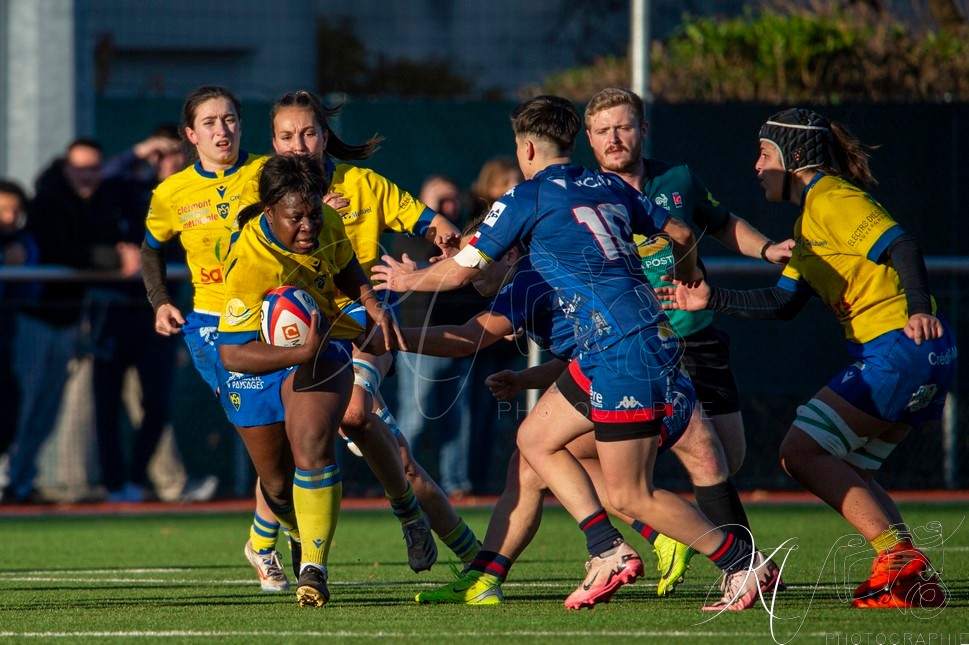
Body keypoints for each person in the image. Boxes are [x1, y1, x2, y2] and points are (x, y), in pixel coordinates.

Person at [373, 96, 775, 612]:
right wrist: (690, 273)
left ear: (528, 148)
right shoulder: (607, 184)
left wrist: (408, 281)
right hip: (641, 342)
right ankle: (601, 550)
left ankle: (742, 565)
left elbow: (465, 276)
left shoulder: (526, 200)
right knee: (535, 439)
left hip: (619, 352)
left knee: (630, 494)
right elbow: (678, 231)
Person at [658, 107, 953, 610]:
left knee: (800, 452)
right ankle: (908, 580)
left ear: (794, 158)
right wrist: (711, 299)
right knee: (851, 471)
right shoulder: (809, 218)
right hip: (916, 354)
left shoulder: (831, 197)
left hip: (900, 346)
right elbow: (783, 302)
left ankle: (898, 562)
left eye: (764, 154)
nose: (756, 166)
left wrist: (920, 310)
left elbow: (901, 243)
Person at [584, 87, 794, 593]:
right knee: (678, 461)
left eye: (624, 126)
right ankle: (742, 565)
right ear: (588, 139)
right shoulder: (583, 193)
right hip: (634, 352)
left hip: (696, 340)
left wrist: (766, 249)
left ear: (642, 130)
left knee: (729, 456)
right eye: (603, 130)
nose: (614, 138)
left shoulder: (676, 179)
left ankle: (689, 533)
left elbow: (722, 225)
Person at [266, 90, 481, 576]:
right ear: (273, 143)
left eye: (308, 132)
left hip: (364, 326)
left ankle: (416, 533)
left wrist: (447, 238)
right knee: (387, 457)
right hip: (300, 339)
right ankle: (462, 547)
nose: (298, 144)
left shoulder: (363, 185)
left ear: (325, 135)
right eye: (286, 135)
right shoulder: (263, 190)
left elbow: (432, 222)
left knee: (357, 413)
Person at [217, 152, 400, 607]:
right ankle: (299, 530)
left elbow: (345, 265)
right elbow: (233, 352)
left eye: (313, 214)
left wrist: (370, 303)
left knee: (313, 446)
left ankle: (314, 567)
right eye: (295, 218)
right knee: (277, 487)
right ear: (269, 212)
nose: (308, 227)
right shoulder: (248, 259)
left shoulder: (325, 222)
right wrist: (297, 349)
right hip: (259, 359)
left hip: (324, 345)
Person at [140, 87, 284, 585]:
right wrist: (161, 302)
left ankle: (268, 543)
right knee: (268, 444)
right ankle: (273, 537)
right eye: (209, 122)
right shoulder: (172, 193)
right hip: (212, 328)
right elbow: (151, 250)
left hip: (277, 322)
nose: (221, 130)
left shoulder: (271, 172)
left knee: (294, 441)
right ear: (190, 134)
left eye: (229, 120)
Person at [2, 139, 120, 504]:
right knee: (18, 406)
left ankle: (21, 481)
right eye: (79, 167)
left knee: (46, 410)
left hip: (65, 322)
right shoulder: (49, 202)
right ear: (65, 168)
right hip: (31, 324)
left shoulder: (97, 202)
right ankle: (7, 478)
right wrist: (108, 258)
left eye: (94, 168)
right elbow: (58, 250)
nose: (87, 175)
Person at [90, 125, 189, 503]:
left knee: (158, 404)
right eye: (162, 153)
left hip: (160, 316)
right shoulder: (128, 190)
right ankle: (115, 484)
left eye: (177, 152)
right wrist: (139, 150)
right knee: (107, 403)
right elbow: (102, 179)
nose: (171, 161)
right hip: (116, 313)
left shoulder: (191, 197)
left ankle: (135, 479)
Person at [392, 174, 477, 499]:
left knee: (457, 418)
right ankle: (398, 480)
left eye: (453, 199)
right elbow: (419, 260)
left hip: (458, 340)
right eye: (441, 202)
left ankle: (456, 482)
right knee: (413, 417)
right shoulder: (409, 241)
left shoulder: (464, 240)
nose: (450, 208)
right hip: (420, 343)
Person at [0, 180, 39, 489]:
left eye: (15, 210)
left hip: (6, 342)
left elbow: (30, 291)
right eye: (2, 210)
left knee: (9, 408)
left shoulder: (23, 242)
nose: (9, 217)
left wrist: (20, 259)